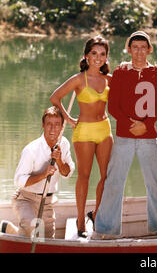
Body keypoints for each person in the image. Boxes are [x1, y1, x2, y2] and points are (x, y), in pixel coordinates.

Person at [92, 31, 157, 239]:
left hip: (149, 135)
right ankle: (106, 229)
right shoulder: (120, 72)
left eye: (143, 47)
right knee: (114, 180)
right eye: (134, 47)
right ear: (129, 49)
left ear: (149, 50)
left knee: (155, 181)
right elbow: (113, 106)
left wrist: (146, 124)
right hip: (124, 136)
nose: (138, 51)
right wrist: (129, 124)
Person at [50, 36, 113, 237]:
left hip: (105, 130)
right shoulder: (79, 79)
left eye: (102, 54)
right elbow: (55, 97)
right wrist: (68, 118)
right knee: (84, 177)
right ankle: (80, 220)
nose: (98, 58)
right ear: (86, 56)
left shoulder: (109, 80)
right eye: (94, 53)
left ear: (106, 57)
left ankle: (96, 214)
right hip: (84, 130)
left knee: (106, 176)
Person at [12, 106, 75, 238]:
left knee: (47, 240)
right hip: (26, 199)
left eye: (57, 125)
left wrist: (59, 161)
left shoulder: (64, 144)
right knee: (32, 228)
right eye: (49, 124)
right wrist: (43, 174)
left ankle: (9, 230)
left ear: (62, 127)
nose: (53, 129)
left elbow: (67, 173)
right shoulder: (31, 150)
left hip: (47, 201)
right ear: (43, 125)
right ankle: (14, 233)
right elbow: (19, 180)